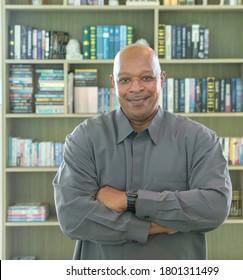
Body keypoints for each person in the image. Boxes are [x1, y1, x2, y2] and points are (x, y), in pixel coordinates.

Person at [53, 43, 232, 260]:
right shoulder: (85, 138)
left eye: (146, 77)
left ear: (162, 79)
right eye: (125, 80)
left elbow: (215, 207)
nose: (136, 88)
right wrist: (155, 226)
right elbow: (73, 218)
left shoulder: (199, 139)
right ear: (113, 83)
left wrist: (130, 200)